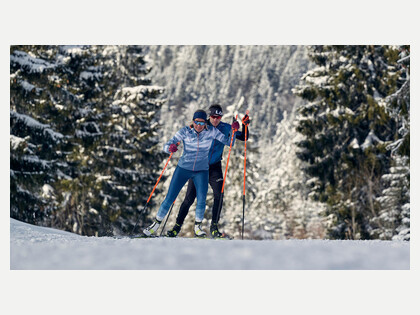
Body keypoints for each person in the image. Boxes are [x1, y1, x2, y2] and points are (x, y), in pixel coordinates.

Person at [142, 109, 238, 237]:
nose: (199, 125)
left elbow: (229, 142)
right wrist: (170, 148)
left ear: (205, 123)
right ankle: (155, 225)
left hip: (201, 171)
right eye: (197, 122)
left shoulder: (212, 131)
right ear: (193, 121)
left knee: (202, 199)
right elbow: (167, 145)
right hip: (183, 169)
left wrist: (234, 131)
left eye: (202, 123)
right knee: (170, 197)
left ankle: (198, 227)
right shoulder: (185, 131)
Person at [166, 104, 250, 239]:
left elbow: (244, 137)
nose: (215, 119)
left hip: (215, 167)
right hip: (199, 167)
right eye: (213, 117)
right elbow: (186, 135)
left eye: (218, 117)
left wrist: (244, 125)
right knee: (189, 198)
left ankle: (214, 228)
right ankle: (176, 227)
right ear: (208, 117)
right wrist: (175, 145)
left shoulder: (225, 128)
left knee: (219, 194)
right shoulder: (202, 127)